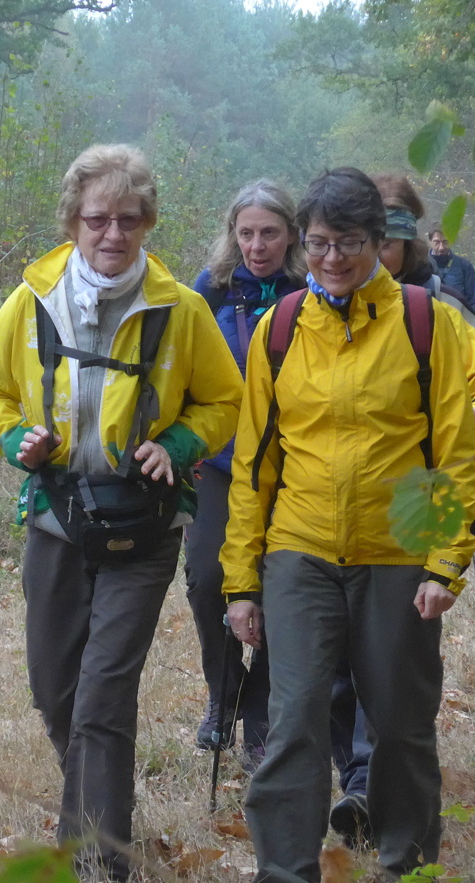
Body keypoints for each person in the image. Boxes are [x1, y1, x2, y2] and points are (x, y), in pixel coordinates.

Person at [0, 144, 240, 883]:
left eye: (127, 219)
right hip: (56, 517)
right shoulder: (32, 301)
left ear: (147, 221)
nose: (112, 233)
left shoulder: (180, 309)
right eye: (97, 220)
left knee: (103, 694)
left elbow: (225, 397)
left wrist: (179, 445)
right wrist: (15, 439)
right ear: (73, 222)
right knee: (55, 689)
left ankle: (95, 863)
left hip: (145, 524)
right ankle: (100, 803)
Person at [221, 167, 475, 883]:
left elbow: (454, 452)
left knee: (400, 720)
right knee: (294, 715)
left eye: (349, 243)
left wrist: (445, 562)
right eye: (318, 243)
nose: (331, 258)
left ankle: (409, 872)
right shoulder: (281, 328)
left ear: (380, 241)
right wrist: (241, 580)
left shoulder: (425, 323)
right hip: (299, 549)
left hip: (398, 551)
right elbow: (255, 463)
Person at [317, 173, 475, 848]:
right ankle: (358, 775)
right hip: (333, 513)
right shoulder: (317, 305)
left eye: (393, 231)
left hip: (420, 498)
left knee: (393, 658)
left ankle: (374, 784)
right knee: (338, 658)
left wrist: (469, 421)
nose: (380, 245)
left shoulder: (443, 308)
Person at [188, 181, 307, 773]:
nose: (257, 246)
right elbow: (178, 366)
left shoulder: (311, 289)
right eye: (246, 234)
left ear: (292, 235)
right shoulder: (209, 289)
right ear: (232, 235)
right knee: (208, 578)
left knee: (285, 586)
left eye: (269, 234)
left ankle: (260, 709)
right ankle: (223, 689)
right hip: (221, 462)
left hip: (295, 465)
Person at [428, 226, 475, 317]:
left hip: (458, 320)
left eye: (445, 242)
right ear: (430, 242)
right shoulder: (420, 266)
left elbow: (474, 301)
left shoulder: (464, 266)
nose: (441, 247)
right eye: (436, 242)